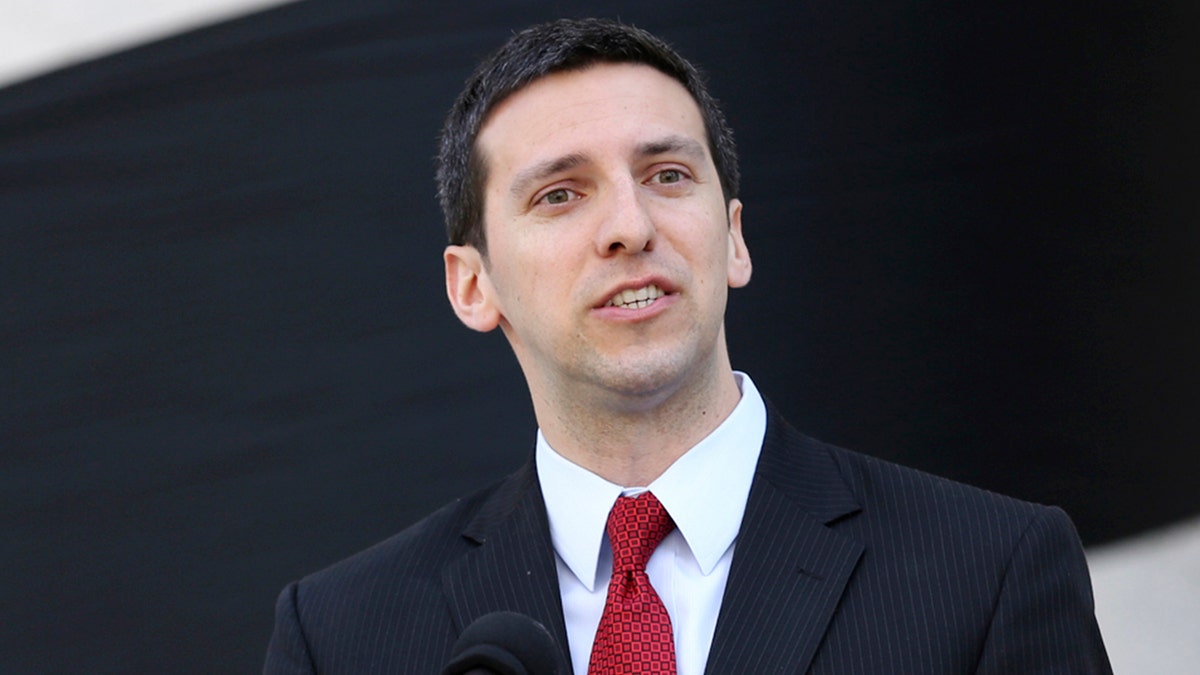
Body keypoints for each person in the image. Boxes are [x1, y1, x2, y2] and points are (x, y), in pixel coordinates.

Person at [265, 18, 1111, 674]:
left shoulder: (989, 570)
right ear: (472, 284)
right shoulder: (342, 634)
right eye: (561, 194)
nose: (630, 227)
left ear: (734, 237)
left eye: (668, 175)